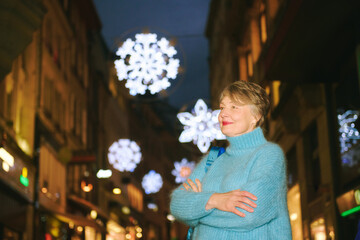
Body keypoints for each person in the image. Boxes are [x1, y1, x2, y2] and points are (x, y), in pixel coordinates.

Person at [170, 80, 292, 239]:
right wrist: (215, 200)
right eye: (222, 107)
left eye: (234, 107)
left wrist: (197, 210)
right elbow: (177, 204)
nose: (222, 114)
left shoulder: (269, 155)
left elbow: (248, 214)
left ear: (256, 116)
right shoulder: (213, 159)